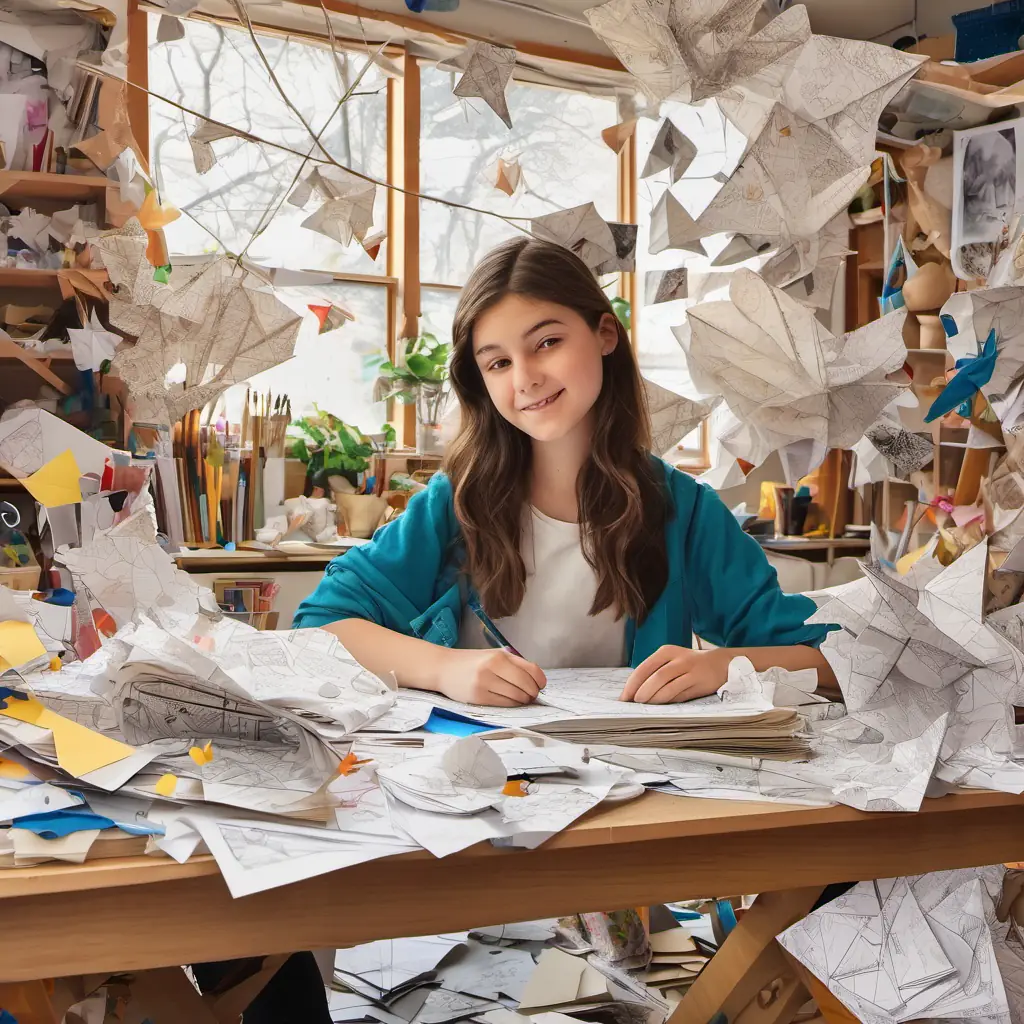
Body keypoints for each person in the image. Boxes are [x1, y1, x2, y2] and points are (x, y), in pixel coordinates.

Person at [294, 236, 837, 703]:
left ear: (604, 335)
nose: (525, 378)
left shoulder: (684, 511)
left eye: (547, 342)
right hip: (476, 786)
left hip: (630, 789)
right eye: (499, 362)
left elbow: (833, 661)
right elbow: (319, 627)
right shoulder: (453, 505)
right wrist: (445, 670)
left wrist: (723, 667)